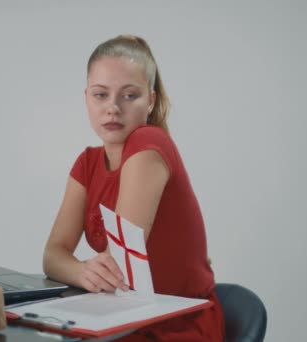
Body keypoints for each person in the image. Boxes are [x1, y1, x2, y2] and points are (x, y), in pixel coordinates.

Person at [42, 35, 225, 341]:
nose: (113, 108)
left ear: (150, 101)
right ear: (86, 97)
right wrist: (80, 272)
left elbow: (119, 268)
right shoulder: (86, 164)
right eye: (101, 95)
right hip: (123, 315)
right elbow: (53, 254)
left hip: (174, 326)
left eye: (129, 96)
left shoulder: (149, 143)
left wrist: (85, 268)